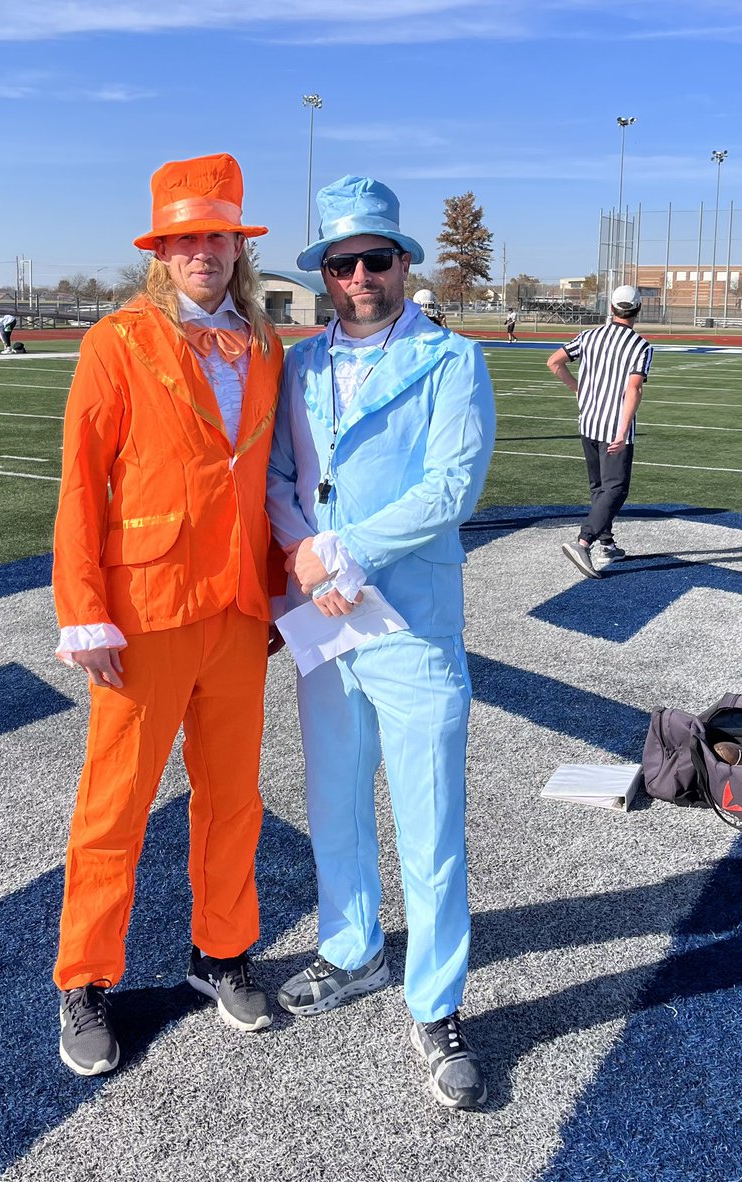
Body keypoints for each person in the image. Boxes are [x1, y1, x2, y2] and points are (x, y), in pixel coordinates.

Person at [51, 153, 284, 1077]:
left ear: (238, 244)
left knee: (235, 799)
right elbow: (80, 483)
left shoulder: (265, 346)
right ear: (162, 249)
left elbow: (266, 482)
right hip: (142, 611)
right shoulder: (116, 341)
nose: (203, 252)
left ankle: (220, 951)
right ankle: (86, 977)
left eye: (217, 235)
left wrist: (279, 588)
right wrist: (84, 610)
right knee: (117, 803)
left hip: (236, 610)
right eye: (185, 238)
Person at [267, 175, 496, 1109]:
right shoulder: (300, 364)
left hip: (409, 621)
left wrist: (347, 550)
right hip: (329, 617)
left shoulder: (453, 361)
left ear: (405, 263)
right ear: (324, 271)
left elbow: (453, 488)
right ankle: (350, 945)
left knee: (430, 816)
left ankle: (436, 998)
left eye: (375, 258)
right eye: (340, 262)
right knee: (334, 799)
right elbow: (281, 479)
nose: (358, 275)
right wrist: (308, 557)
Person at [547, 283, 653, 578]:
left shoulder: (589, 336)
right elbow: (634, 388)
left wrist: (577, 389)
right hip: (612, 426)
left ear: (611, 308)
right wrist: (622, 430)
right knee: (616, 487)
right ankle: (584, 541)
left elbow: (554, 362)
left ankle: (606, 541)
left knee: (599, 487)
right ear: (638, 310)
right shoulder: (639, 345)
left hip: (588, 421)